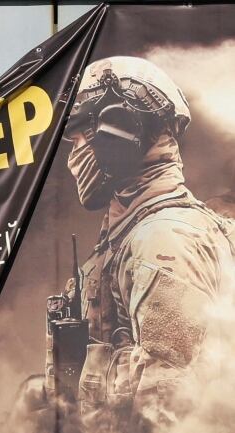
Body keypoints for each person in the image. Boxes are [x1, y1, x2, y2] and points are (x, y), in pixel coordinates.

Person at [14, 56, 235, 432]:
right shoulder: (129, 236)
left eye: (81, 135)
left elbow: (167, 412)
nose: (74, 153)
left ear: (119, 134)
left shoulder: (163, 241)